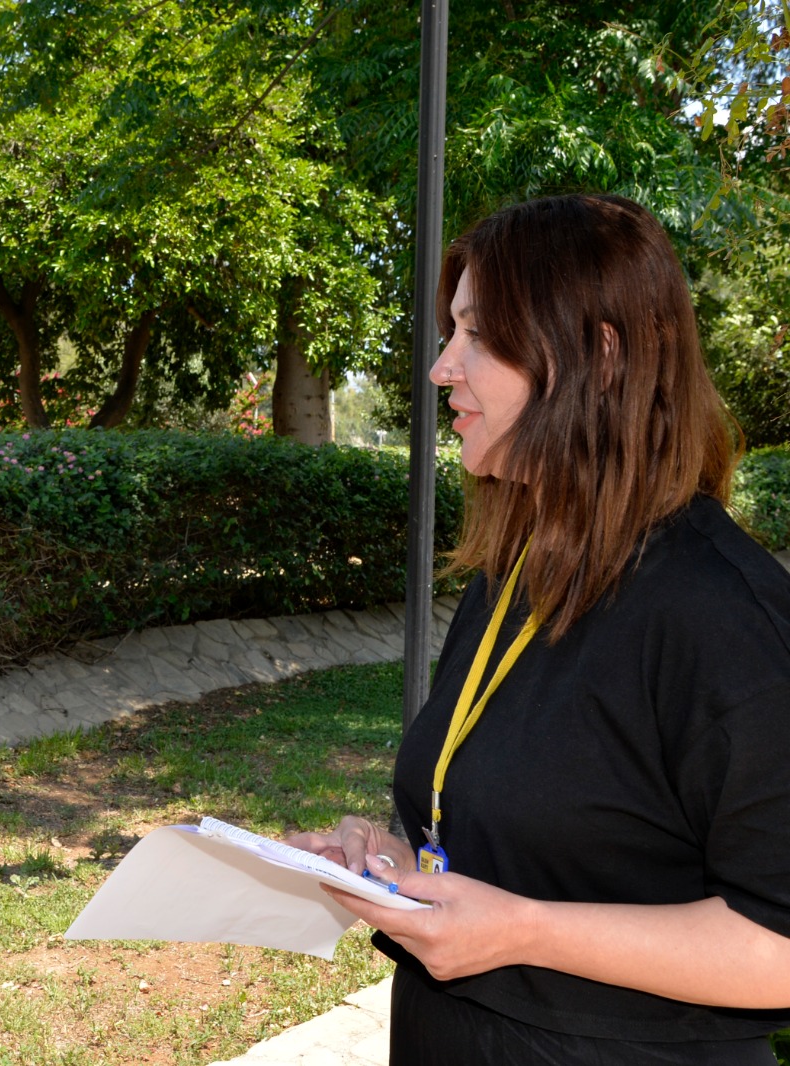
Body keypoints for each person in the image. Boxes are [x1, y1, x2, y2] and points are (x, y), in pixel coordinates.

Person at [287, 194, 790, 1064]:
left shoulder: (724, 617)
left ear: (600, 355)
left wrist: (525, 931)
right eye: (451, 331)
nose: (441, 368)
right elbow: (537, 845)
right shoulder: (516, 574)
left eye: (479, 335)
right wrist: (392, 865)